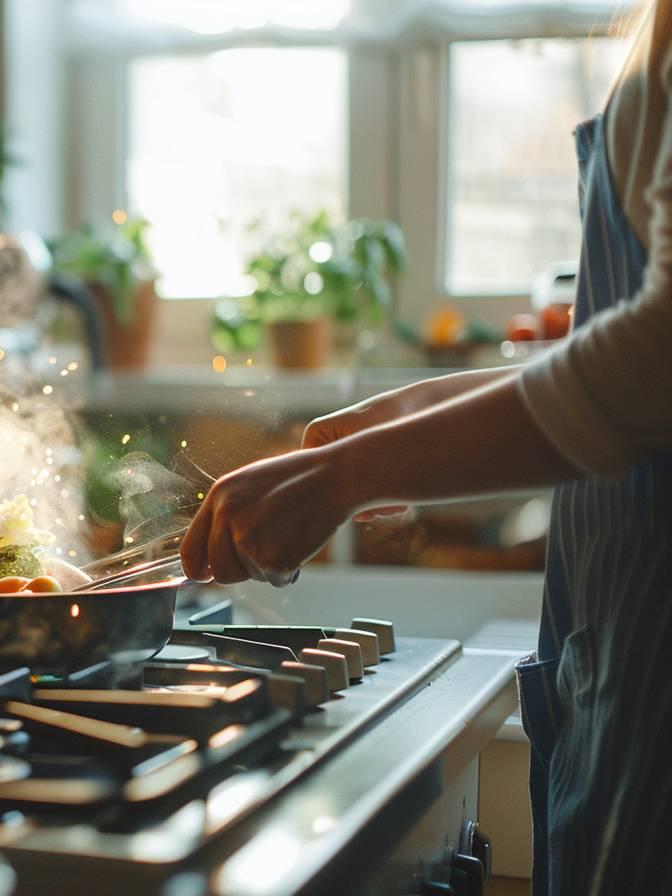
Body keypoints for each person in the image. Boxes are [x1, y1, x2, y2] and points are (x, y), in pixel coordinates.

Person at [180, 4, 672, 893]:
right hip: (621, 640)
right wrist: (390, 423)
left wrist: (350, 475)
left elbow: (659, 358)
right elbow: (612, 343)